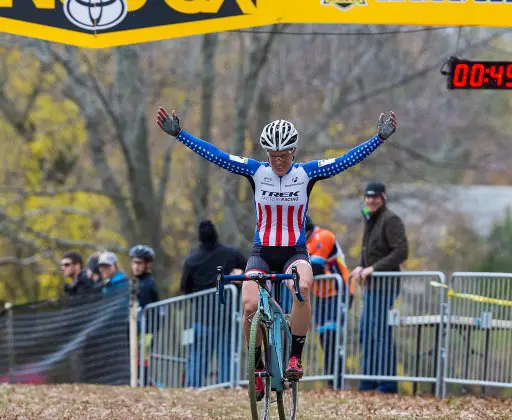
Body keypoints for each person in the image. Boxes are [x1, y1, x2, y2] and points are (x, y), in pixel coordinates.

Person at [157, 106, 397, 398]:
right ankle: (257, 365)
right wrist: (180, 135)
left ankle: (295, 355)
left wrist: (379, 139)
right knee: (247, 306)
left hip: (294, 251)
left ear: (294, 151)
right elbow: (218, 156)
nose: (278, 161)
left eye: (283, 155)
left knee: (303, 285)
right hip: (261, 251)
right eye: (272, 156)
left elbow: (346, 161)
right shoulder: (255, 171)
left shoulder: (307, 173)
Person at [349, 181, 408, 394]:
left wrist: (373, 268)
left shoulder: (390, 219)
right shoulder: (371, 219)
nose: (371, 200)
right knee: (367, 332)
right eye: (368, 196)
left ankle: (387, 384)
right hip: (372, 287)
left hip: (386, 285)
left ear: (383, 198)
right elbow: (373, 251)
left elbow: (401, 252)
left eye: (375, 197)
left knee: (382, 332)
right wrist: (362, 267)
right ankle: (369, 381)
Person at [180, 219, 247, 387]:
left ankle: (193, 389)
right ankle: (226, 388)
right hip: (227, 315)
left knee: (198, 358)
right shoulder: (231, 254)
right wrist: (238, 278)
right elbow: (251, 271)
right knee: (226, 355)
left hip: (202, 318)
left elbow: (185, 289)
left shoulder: (192, 260)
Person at [304, 215, 353, 388]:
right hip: (322, 295)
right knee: (324, 338)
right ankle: (332, 381)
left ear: (307, 231)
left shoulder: (323, 236)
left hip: (339, 291)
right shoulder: (303, 243)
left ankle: (339, 381)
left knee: (333, 337)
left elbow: (315, 268)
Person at [129, 245, 160, 309]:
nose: (136, 267)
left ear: (148, 264)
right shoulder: (136, 280)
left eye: (139, 263)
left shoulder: (147, 284)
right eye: (134, 262)